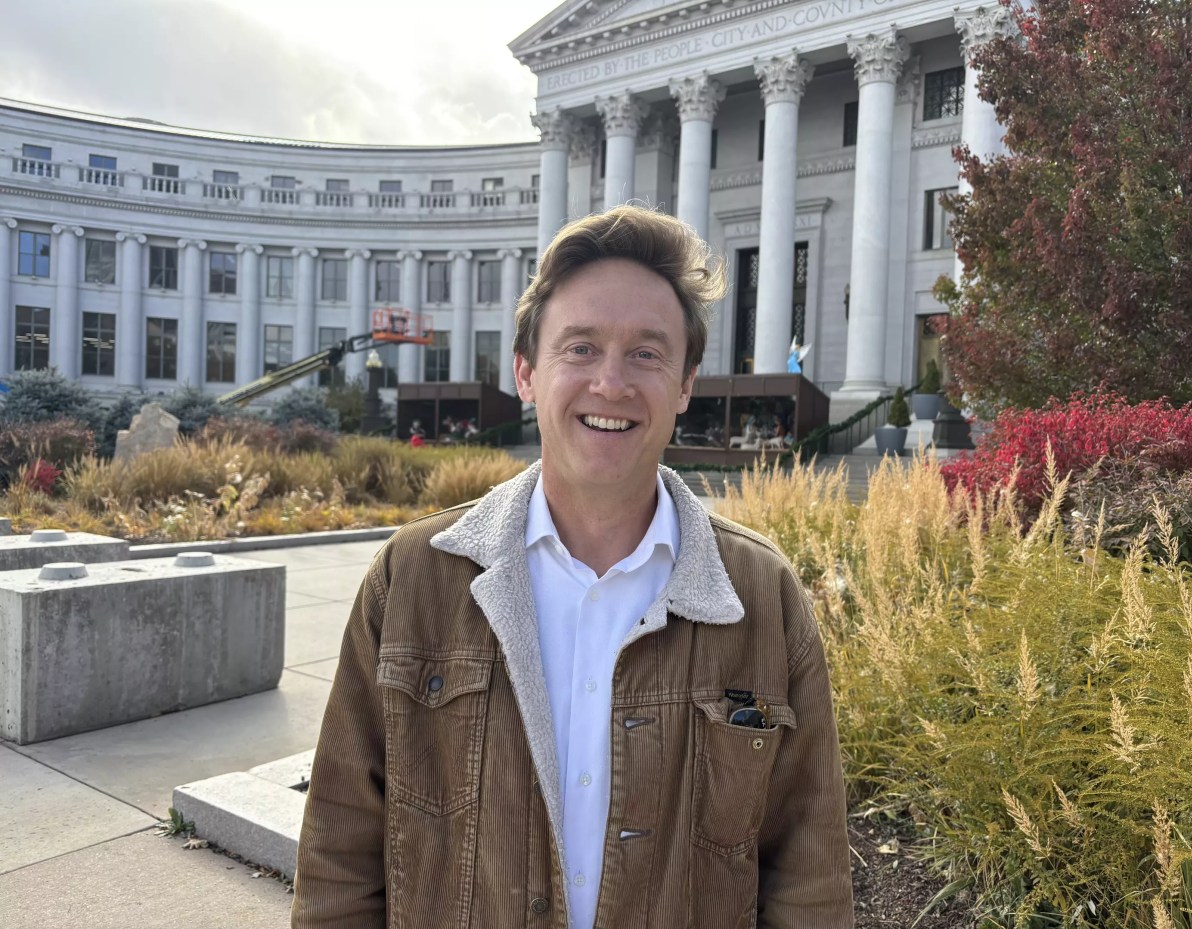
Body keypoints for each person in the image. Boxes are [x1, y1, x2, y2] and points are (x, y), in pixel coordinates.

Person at [291, 205, 854, 928]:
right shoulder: (414, 581)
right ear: (526, 372)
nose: (611, 383)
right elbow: (340, 853)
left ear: (685, 383)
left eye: (647, 353)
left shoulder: (761, 600)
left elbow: (808, 880)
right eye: (580, 348)